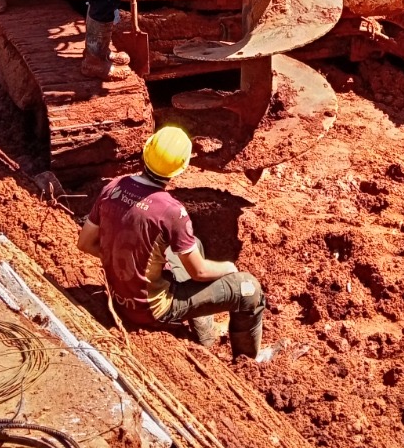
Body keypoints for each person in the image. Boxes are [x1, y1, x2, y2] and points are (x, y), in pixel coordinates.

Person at [78, 125, 266, 358]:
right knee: (250, 290)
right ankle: (249, 359)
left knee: (192, 244)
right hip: (152, 309)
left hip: (120, 298)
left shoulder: (113, 188)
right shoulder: (171, 212)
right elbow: (198, 272)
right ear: (181, 169)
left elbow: (85, 243)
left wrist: (126, 260)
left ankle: (204, 333)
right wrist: (230, 268)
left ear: (146, 153)